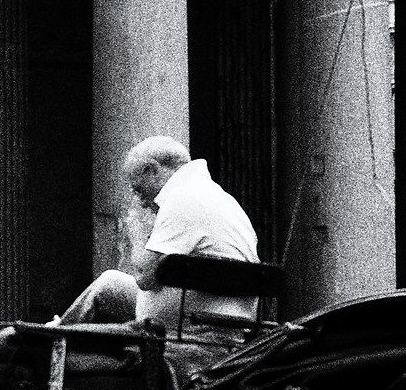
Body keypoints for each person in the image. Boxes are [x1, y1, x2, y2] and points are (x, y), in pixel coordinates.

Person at [59, 137, 260, 329]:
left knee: (107, 285)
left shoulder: (181, 197)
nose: (141, 202)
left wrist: (136, 233)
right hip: (224, 321)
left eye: (138, 190)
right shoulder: (218, 197)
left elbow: (144, 278)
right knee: (110, 284)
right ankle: (56, 332)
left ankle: (50, 341)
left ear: (152, 170)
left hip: (190, 328)